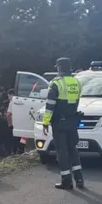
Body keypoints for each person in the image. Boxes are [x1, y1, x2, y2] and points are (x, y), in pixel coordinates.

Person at [42, 57, 84, 190]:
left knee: (62, 151)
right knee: (73, 149)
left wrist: (45, 122)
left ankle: (67, 181)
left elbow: (50, 106)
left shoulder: (56, 83)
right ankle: (79, 179)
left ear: (59, 68)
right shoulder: (76, 82)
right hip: (72, 121)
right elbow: (76, 102)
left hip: (59, 122)